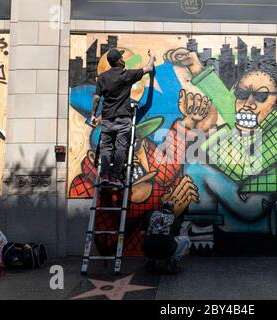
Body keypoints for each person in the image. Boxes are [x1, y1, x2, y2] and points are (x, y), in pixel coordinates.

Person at [91, 48, 156, 188]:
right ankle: (114, 177)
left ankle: (104, 176)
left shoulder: (102, 77)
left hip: (107, 119)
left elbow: (96, 98)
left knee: (106, 147)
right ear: (119, 60)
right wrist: (153, 56)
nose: (123, 59)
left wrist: (93, 115)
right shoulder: (126, 75)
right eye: (122, 57)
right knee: (121, 147)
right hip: (123, 119)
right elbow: (149, 68)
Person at [141, 201, 190, 274]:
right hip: (166, 252)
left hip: (147, 251)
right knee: (185, 240)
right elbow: (176, 235)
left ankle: (150, 262)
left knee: (145, 234)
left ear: (161, 207)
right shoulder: (175, 219)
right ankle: (171, 264)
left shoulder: (150, 214)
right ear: (172, 209)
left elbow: (142, 231)